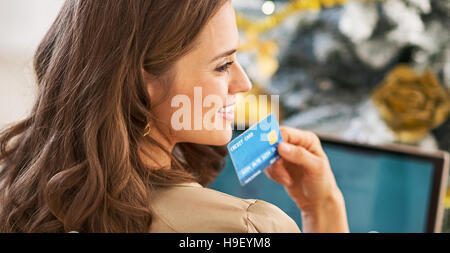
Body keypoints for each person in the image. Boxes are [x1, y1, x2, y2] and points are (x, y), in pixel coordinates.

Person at [0, 0, 349, 233]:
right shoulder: (249, 228)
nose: (242, 83)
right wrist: (324, 208)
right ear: (141, 81)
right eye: (223, 65)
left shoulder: (17, 193)